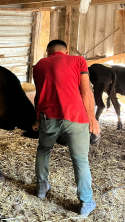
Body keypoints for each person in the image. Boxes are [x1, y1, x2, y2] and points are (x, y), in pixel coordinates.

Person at [32, 39, 100, 217]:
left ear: (48, 52)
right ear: (66, 51)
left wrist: (37, 118)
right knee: (80, 160)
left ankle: (41, 188)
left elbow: (39, 94)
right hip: (75, 117)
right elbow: (86, 92)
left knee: (44, 149)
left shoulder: (39, 65)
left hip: (48, 117)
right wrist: (92, 120)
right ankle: (85, 202)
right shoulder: (78, 61)